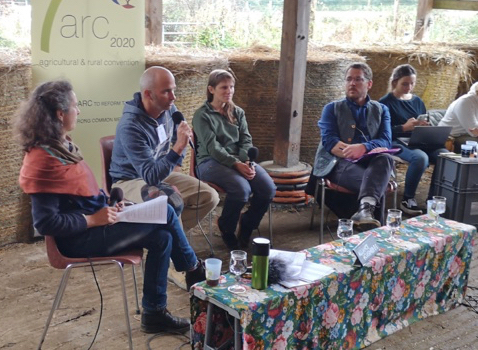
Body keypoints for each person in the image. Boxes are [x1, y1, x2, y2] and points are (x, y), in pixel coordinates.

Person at [14, 80, 205, 334]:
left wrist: (110, 202)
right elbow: (45, 223)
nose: (79, 111)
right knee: (167, 212)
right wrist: (94, 219)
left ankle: (155, 313)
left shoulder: (60, 145)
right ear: (61, 114)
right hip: (77, 239)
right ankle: (194, 270)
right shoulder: (43, 159)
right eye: (76, 106)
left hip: (96, 224)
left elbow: (79, 195)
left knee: (161, 238)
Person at [109, 66, 219, 233]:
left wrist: (178, 161)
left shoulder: (168, 109)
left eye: (173, 90)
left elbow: (180, 133)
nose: (173, 97)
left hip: (160, 173)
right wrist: (177, 149)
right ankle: (175, 250)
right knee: (170, 202)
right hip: (129, 180)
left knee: (209, 196)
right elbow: (150, 175)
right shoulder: (130, 126)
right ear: (148, 94)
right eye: (166, 92)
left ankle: (168, 233)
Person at [192, 69, 276, 250]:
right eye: (224, 87)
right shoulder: (202, 115)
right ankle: (226, 227)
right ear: (211, 89)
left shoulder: (238, 112)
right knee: (241, 189)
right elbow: (213, 148)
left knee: (268, 189)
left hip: (238, 161)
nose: (229, 91)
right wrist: (236, 164)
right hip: (209, 162)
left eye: (231, 87)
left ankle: (247, 224)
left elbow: (246, 139)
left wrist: (246, 161)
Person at [313, 62, 394, 227]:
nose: (352, 83)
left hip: (371, 162)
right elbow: (329, 142)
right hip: (339, 162)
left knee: (385, 158)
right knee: (376, 183)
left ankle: (364, 213)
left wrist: (364, 148)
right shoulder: (331, 108)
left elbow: (386, 140)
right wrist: (351, 152)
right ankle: (372, 225)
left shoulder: (381, 110)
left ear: (369, 84)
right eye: (349, 79)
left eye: (358, 79)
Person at [379, 64, 447, 214]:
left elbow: (422, 120)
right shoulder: (384, 103)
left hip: (418, 139)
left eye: (412, 83)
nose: (409, 87)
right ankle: (407, 199)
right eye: (405, 83)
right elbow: (379, 132)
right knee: (420, 157)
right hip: (396, 140)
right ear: (394, 82)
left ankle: (433, 199)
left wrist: (424, 127)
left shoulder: (417, 101)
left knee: (444, 156)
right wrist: (403, 128)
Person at [439, 82, 478, 150]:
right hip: (451, 137)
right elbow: (474, 131)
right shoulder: (466, 101)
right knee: (473, 144)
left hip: (466, 134)